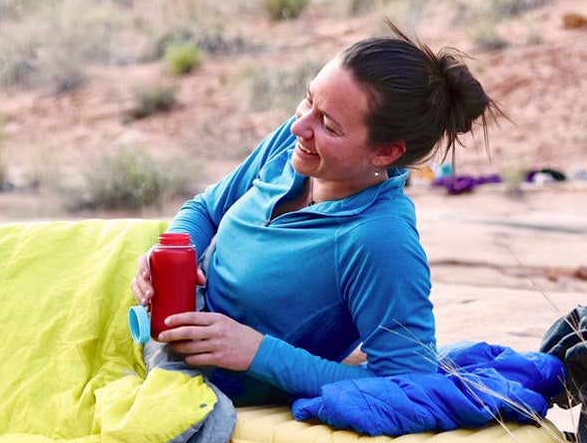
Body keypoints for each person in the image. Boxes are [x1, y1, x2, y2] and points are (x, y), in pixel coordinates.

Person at [136, 33, 492, 406]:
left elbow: (410, 383)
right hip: (156, 322)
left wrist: (257, 352)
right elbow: (206, 209)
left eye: (329, 125)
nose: (299, 126)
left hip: (197, 381)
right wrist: (168, 260)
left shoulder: (378, 240)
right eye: (308, 99)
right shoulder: (297, 148)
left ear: (386, 152)